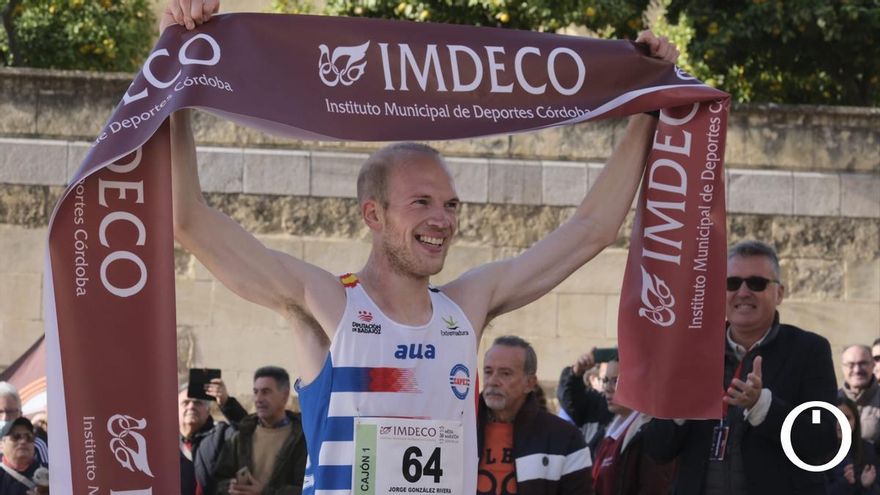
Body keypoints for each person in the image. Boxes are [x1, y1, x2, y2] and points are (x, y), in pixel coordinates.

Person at [161, 1, 680, 492]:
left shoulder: (465, 306)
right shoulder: (330, 302)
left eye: (451, 205)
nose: (442, 220)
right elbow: (190, 222)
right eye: (422, 203)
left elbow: (591, 229)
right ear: (374, 215)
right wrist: (176, 74)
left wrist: (646, 110)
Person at [644, 240, 839, 494]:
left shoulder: (810, 351)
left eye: (756, 283)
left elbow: (821, 441)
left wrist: (763, 406)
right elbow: (657, 450)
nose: (743, 292)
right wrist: (680, 408)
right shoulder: (691, 352)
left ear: (779, 293)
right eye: (732, 283)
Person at [478, 336, 591, 494]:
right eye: (488, 372)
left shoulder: (565, 438)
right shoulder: (460, 430)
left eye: (505, 373)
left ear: (530, 383)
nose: (493, 381)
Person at [213, 366, 307, 495]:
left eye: (266, 392)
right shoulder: (241, 436)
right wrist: (231, 487)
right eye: (256, 392)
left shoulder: (303, 439)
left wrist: (265, 492)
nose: (258, 399)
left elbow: (307, 489)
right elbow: (219, 481)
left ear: (285, 395)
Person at [178, 379, 245, 495]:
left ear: (208, 410)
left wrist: (227, 402)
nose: (191, 407)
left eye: (198, 403)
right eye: (185, 403)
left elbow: (249, 432)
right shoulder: (165, 441)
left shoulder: (222, 435)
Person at [558, 351, 615, 455]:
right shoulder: (594, 404)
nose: (608, 388)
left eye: (616, 381)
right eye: (605, 380)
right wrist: (575, 373)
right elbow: (570, 399)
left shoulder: (642, 416)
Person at [826, 397, 880, 495]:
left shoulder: (868, 450)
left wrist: (865, 485)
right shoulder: (817, 453)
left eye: (847, 418)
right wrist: (844, 482)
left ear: (855, 423)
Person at [839, 345, 880, 446]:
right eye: (850, 365)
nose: (857, 370)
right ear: (842, 367)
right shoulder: (830, 401)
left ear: (873, 365)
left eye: (863, 363)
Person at [0, 383, 47, 466]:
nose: (4, 418)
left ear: (20, 414)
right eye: (0, 412)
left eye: (10, 412)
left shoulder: (36, 445)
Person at [0, 417, 44, 495]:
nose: (23, 441)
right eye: (16, 436)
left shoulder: (48, 473)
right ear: (1, 445)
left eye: (29, 437)